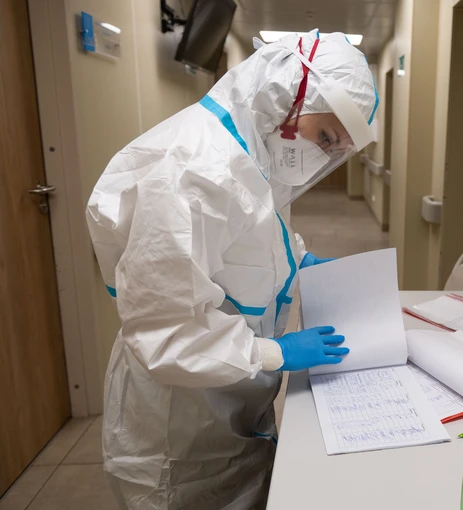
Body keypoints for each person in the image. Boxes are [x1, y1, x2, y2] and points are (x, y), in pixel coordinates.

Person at [86, 29, 378, 509]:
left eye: (336, 147)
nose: (323, 154)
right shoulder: (191, 170)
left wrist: (298, 262)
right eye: (325, 136)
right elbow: (167, 334)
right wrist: (277, 352)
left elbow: (255, 230)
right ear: (286, 91)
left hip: (229, 398)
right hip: (180, 421)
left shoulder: (252, 151)